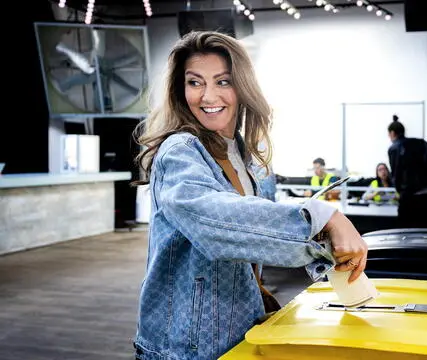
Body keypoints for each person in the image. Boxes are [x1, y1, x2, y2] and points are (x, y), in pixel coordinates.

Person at [131, 31, 368, 360]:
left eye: (223, 81)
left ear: (242, 86)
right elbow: (214, 220)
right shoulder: (180, 150)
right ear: (180, 90)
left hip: (237, 331)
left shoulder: (248, 159)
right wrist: (322, 219)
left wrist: (327, 253)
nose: (208, 95)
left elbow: (254, 231)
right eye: (195, 82)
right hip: (183, 345)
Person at [387, 115, 427, 229]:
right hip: (425, 197)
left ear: (392, 133)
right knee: (424, 233)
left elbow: (396, 173)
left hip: (408, 199)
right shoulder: (421, 143)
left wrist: (400, 190)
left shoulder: (394, 148)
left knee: (405, 234)